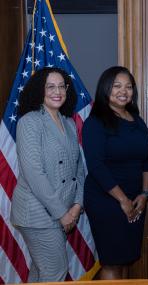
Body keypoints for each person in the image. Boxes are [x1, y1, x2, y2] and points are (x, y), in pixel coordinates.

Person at [10, 67, 84, 282]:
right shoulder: (30, 122)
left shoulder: (69, 123)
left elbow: (78, 169)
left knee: (41, 273)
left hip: (65, 210)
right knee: (55, 273)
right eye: (50, 86)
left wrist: (77, 206)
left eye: (62, 86)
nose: (57, 91)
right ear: (39, 90)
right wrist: (62, 213)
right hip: (37, 213)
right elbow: (34, 174)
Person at [82, 66, 148, 280]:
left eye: (129, 87)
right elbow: (96, 166)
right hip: (107, 200)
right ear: (106, 89)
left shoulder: (136, 120)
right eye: (117, 86)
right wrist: (123, 200)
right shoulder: (95, 122)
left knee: (126, 259)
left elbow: (147, 159)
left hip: (136, 199)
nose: (124, 91)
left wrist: (144, 194)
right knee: (112, 261)